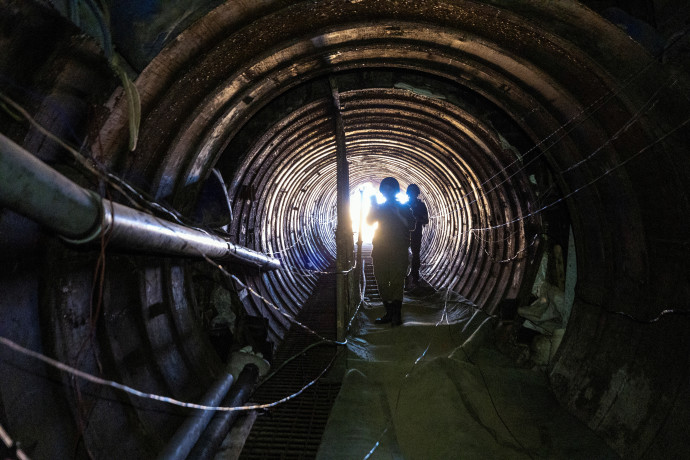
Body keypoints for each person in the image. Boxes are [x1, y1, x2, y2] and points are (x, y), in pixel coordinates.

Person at [367, 177, 415, 326]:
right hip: (380, 249)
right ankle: (389, 313)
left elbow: (412, 226)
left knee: (396, 281)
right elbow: (369, 221)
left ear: (394, 190)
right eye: (384, 189)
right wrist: (373, 206)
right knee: (381, 281)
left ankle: (396, 315)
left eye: (389, 189)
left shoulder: (404, 207)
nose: (386, 192)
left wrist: (398, 214)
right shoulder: (380, 207)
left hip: (398, 250)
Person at [406, 184, 429, 287]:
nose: (411, 195)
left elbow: (426, 220)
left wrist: (416, 219)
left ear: (416, 194)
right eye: (410, 193)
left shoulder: (421, 206)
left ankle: (415, 277)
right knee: (404, 255)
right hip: (405, 234)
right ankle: (405, 278)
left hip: (416, 234)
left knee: (415, 255)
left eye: (413, 193)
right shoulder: (405, 205)